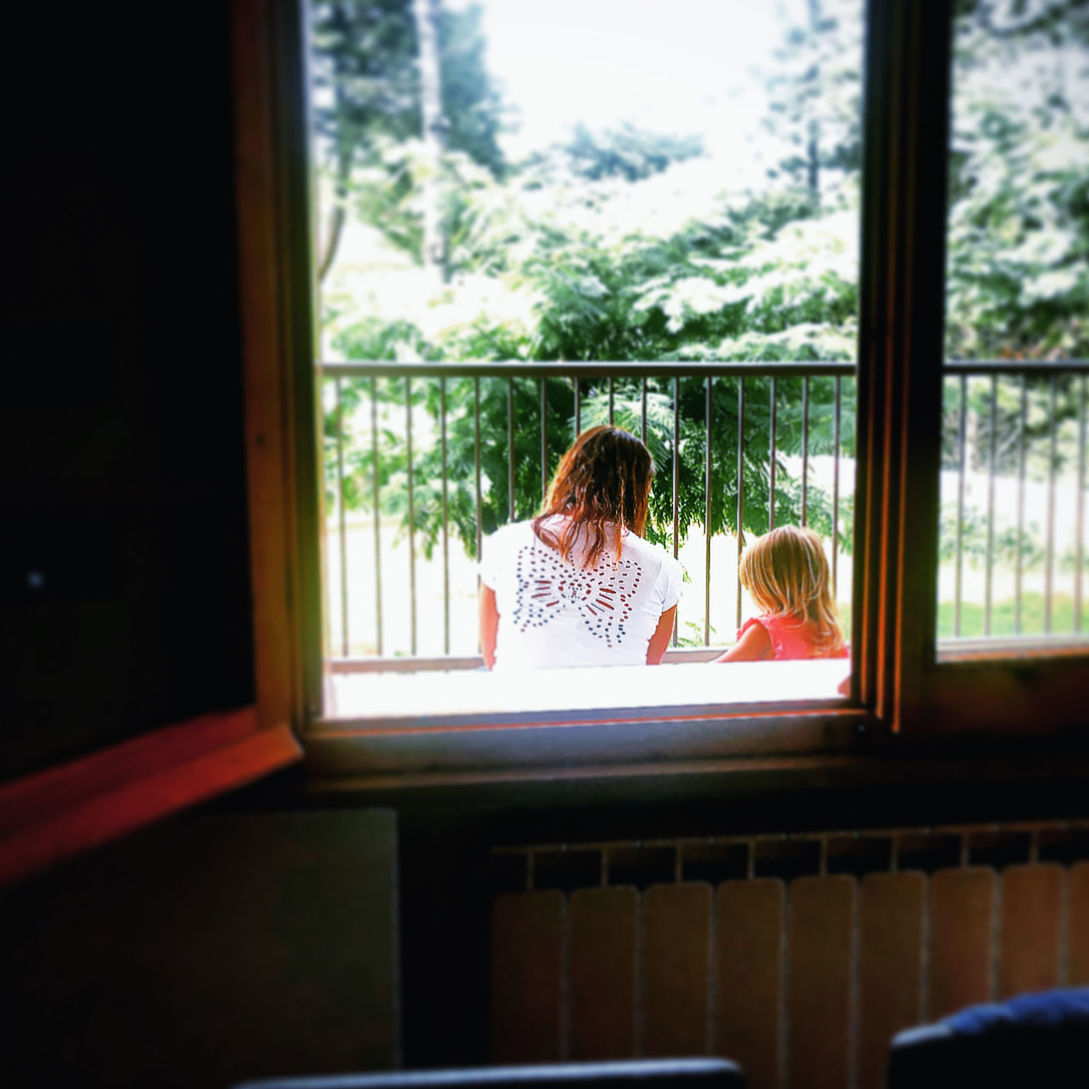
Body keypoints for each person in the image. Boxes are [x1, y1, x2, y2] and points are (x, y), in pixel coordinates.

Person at [479, 426, 684, 670]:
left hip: (519, 704)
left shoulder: (506, 542)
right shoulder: (662, 567)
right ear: (639, 491)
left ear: (570, 473)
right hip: (618, 707)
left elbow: (492, 656)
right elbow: (649, 665)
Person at [711, 524, 847, 662]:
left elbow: (715, 672)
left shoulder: (764, 632)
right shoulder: (828, 635)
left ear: (769, 586)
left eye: (751, 586)